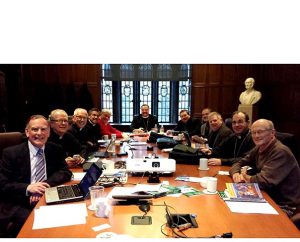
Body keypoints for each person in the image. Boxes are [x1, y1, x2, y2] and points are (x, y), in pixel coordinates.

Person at [0, 115, 72, 237]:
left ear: (49, 132)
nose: (39, 133)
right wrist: (28, 188)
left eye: (43, 129)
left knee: (67, 223)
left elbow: (65, 172)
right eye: (35, 129)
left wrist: (44, 186)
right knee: (38, 228)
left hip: (47, 196)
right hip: (19, 201)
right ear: (27, 132)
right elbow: (3, 183)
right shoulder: (11, 153)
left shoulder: (55, 149)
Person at [229, 119, 300, 217]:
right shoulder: (260, 147)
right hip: (266, 196)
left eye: (260, 132)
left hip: (283, 205)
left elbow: (263, 181)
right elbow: (239, 162)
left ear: (272, 133)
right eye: (253, 133)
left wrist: (245, 176)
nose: (256, 136)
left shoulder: (280, 151)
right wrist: (236, 173)